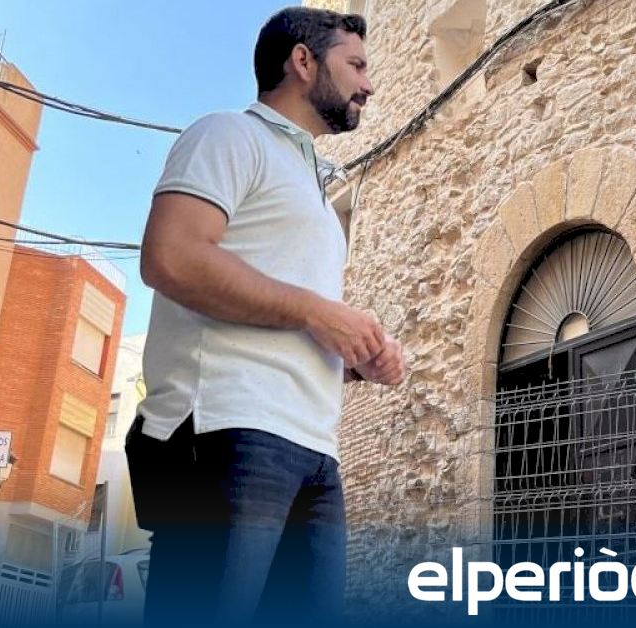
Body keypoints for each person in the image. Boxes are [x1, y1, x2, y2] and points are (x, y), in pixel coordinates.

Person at [126, 7, 403, 626]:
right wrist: (317, 312)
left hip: (314, 449)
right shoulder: (228, 135)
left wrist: (355, 356)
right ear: (303, 61)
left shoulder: (315, 191)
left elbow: (287, 319)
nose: (369, 84)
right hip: (227, 430)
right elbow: (170, 256)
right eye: (356, 65)